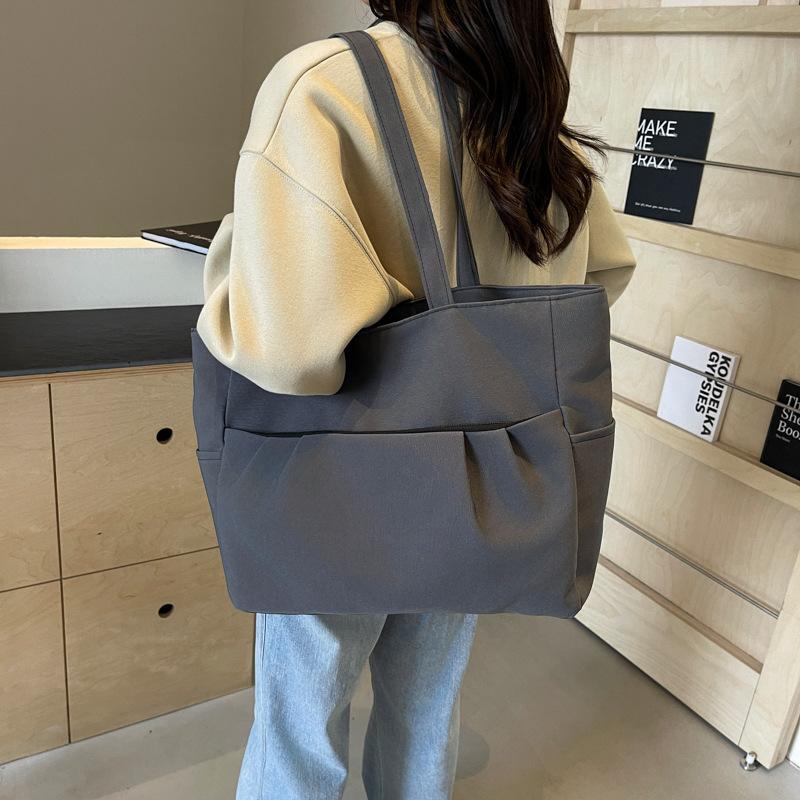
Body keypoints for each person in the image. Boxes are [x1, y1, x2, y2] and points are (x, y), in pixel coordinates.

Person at [195, 2, 637, 798]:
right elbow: (601, 278)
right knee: (428, 711)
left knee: (301, 729)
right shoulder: (529, 108)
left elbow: (290, 355)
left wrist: (239, 250)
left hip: (338, 482)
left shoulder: (323, 88)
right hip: (482, 480)